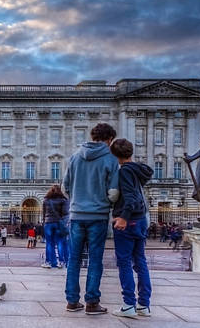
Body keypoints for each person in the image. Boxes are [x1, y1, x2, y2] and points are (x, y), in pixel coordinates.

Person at [62, 123, 119, 315]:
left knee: (74, 260)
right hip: (98, 216)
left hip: (76, 215)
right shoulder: (110, 159)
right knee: (95, 260)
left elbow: (65, 188)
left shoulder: (75, 156)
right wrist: (103, 201)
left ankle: (72, 301)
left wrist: (78, 200)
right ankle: (92, 303)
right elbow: (113, 193)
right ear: (109, 139)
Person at [109, 138, 153, 319]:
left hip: (130, 221)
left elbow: (132, 197)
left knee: (125, 263)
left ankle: (129, 304)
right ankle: (144, 304)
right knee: (140, 261)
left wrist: (123, 218)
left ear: (115, 155)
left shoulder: (125, 171)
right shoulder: (137, 170)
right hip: (141, 220)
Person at [42, 185, 70, 269]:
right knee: (60, 242)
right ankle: (61, 262)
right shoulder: (63, 200)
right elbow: (65, 213)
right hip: (58, 223)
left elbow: (43, 213)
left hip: (48, 223)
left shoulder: (46, 200)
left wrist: (44, 222)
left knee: (49, 243)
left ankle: (49, 262)